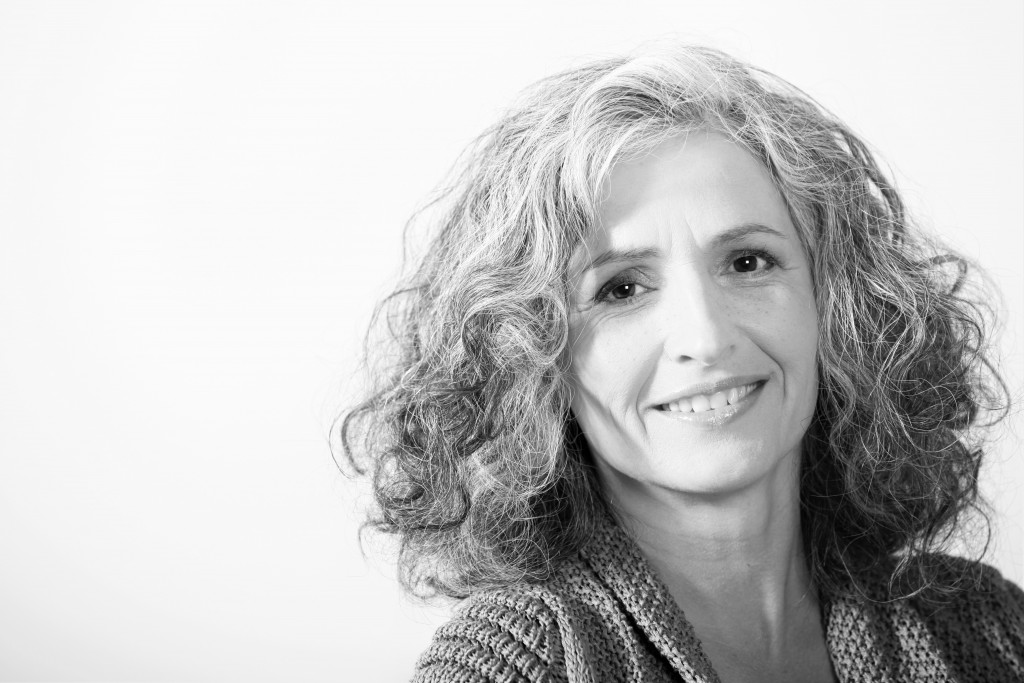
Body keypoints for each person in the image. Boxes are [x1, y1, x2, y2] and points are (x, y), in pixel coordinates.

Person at [340, 44, 1023, 682]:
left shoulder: (985, 626)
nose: (705, 335)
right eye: (621, 288)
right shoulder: (509, 665)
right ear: (532, 362)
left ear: (837, 304)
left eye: (748, 262)